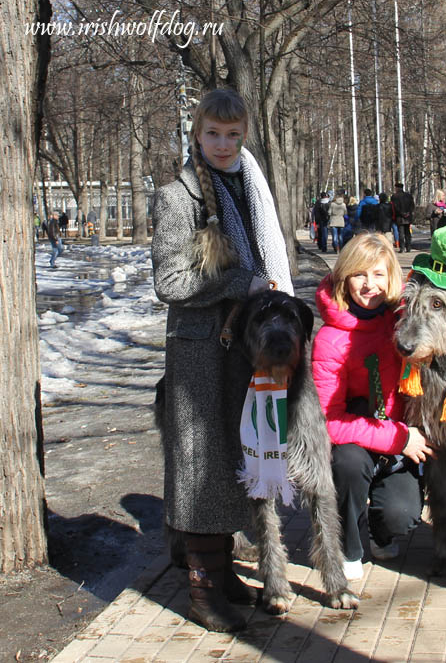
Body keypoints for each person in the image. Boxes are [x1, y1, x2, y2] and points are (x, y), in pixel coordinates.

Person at [151, 88, 293, 633]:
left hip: (242, 344)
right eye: (213, 133)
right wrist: (241, 280)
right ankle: (202, 588)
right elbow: (169, 282)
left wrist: (267, 286)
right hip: (200, 352)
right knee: (200, 464)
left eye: (234, 135)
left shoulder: (250, 184)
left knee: (234, 453)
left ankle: (221, 569)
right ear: (196, 133)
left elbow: (261, 253)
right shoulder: (176, 197)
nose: (224, 144)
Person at [311, 232, 433, 580]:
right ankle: (348, 544)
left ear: (391, 276)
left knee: (401, 515)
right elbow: (328, 420)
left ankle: (381, 529)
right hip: (356, 436)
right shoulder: (330, 340)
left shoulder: (401, 322)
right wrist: (397, 438)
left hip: (397, 434)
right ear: (343, 278)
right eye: (359, 275)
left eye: (378, 274)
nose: (369, 285)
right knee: (348, 464)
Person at [390, 182, 415, 252]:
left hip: (399, 217)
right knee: (407, 232)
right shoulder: (409, 196)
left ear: (397, 188)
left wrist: (402, 214)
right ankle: (409, 247)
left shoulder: (394, 196)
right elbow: (412, 206)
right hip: (408, 217)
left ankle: (402, 247)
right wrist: (408, 213)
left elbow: (394, 207)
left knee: (401, 232)